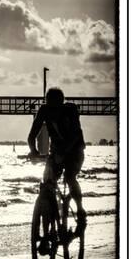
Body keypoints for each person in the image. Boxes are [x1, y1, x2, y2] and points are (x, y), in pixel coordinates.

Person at [27, 87, 87, 233]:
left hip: (75, 150)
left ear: (62, 102)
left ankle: (80, 211)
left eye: (56, 106)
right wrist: (33, 150)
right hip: (56, 152)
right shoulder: (44, 110)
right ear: (46, 102)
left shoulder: (71, 111)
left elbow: (75, 135)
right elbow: (32, 134)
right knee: (47, 182)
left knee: (70, 177)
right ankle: (46, 230)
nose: (53, 110)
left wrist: (64, 152)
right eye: (50, 105)